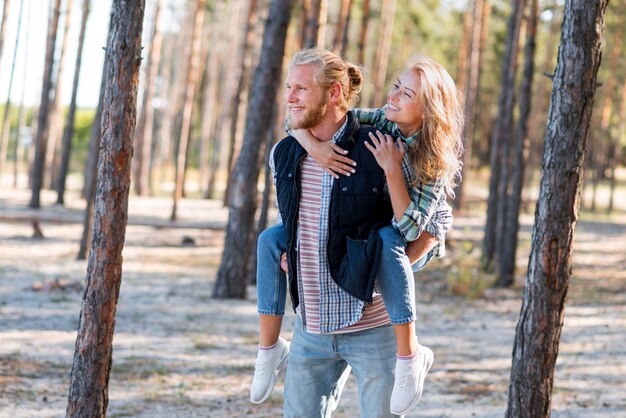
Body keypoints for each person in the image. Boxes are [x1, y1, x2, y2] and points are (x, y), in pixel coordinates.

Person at [251, 49, 463, 416]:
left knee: (387, 241)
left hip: (388, 290)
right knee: (270, 239)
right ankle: (269, 348)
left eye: (406, 94)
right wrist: (314, 147)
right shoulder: (376, 125)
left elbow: (414, 229)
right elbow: (300, 123)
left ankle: (410, 354)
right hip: (313, 324)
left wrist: (393, 171)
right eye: (396, 87)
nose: (392, 96)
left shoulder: (414, 156)